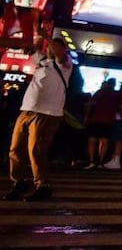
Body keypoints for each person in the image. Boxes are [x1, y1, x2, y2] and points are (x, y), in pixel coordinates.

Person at [4, 36, 72, 201]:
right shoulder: (42, 60)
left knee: (36, 151)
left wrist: (46, 35)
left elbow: (58, 51)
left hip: (47, 113)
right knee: (15, 149)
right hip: (27, 110)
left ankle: (43, 185)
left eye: (53, 46)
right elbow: (25, 47)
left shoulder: (65, 64)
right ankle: (19, 182)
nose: (49, 48)